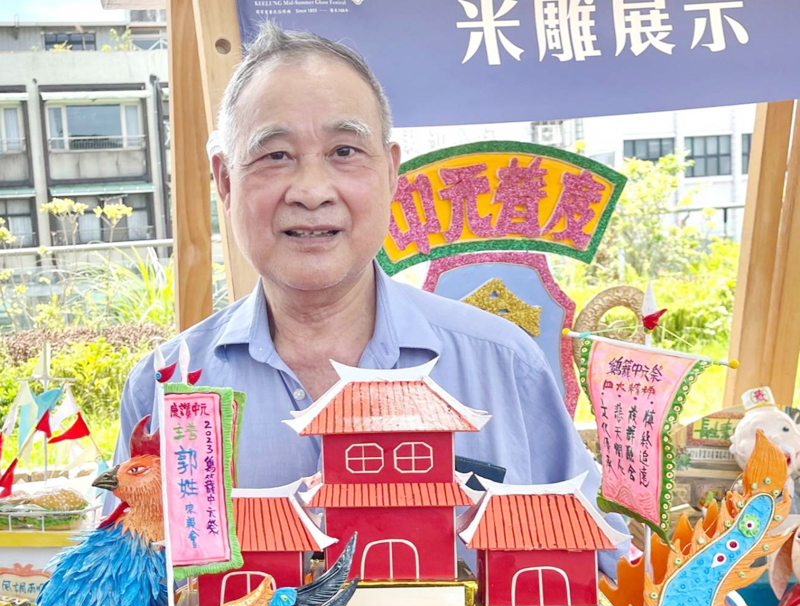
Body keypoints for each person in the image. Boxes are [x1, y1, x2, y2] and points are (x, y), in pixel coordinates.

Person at [112, 22, 628, 572]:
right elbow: (117, 587)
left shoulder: (505, 364)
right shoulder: (165, 388)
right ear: (225, 181)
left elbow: (613, 574)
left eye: (344, 150)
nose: (312, 191)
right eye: (276, 155)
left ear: (390, 171)